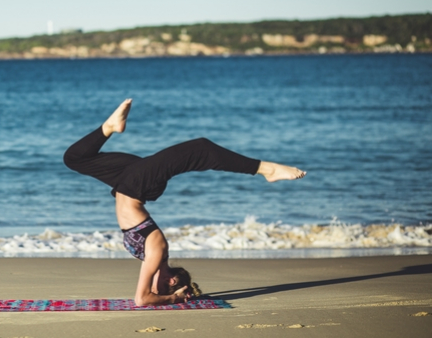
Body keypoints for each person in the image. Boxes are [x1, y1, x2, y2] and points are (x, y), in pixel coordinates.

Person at [63, 99, 306, 306]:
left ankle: (109, 127)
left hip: (126, 182)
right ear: (171, 280)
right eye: (160, 288)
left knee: (74, 158)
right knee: (201, 148)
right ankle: (267, 170)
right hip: (138, 185)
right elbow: (142, 299)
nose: (152, 286)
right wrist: (174, 298)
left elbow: (143, 297)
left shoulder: (151, 259)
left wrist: (174, 297)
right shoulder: (157, 251)